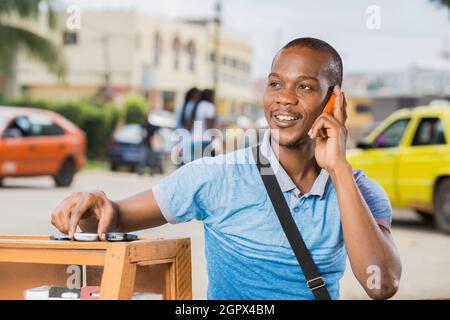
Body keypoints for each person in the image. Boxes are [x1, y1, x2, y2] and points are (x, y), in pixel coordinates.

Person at [51, 37, 401, 300]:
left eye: (305, 87)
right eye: (275, 83)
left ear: (334, 100)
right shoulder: (216, 175)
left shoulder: (359, 192)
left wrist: (339, 170)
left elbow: (381, 284)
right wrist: (93, 204)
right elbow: (108, 217)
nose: (284, 97)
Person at [181, 89, 217, 164]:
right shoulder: (209, 106)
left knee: (196, 167)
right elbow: (210, 125)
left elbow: (189, 124)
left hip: (194, 140)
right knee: (206, 167)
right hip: (205, 140)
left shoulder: (196, 105)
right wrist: (214, 137)